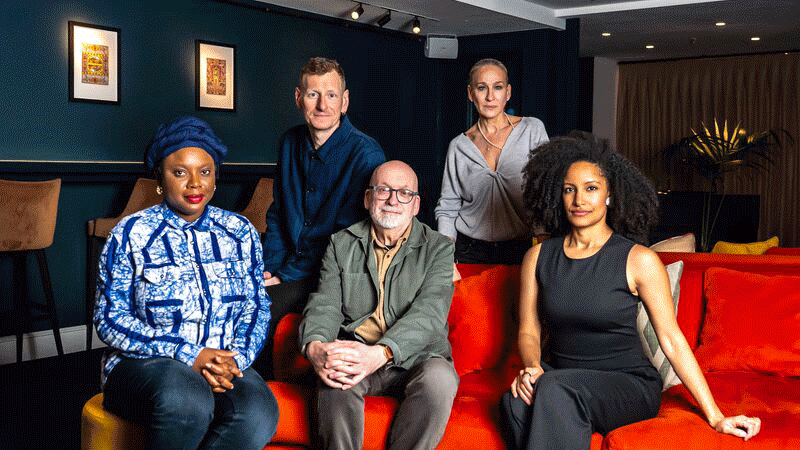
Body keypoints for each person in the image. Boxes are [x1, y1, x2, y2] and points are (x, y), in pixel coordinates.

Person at [500, 136, 761, 449]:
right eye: (570, 189)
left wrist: (716, 415)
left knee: (554, 389)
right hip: (564, 379)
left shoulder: (639, 260)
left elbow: (671, 340)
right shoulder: (539, 257)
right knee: (514, 402)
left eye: (591, 188)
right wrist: (532, 368)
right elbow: (529, 331)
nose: (579, 199)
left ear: (610, 194)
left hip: (627, 385)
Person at [94, 116, 278, 450]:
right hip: (144, 365)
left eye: (205, 171)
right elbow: (109, 319)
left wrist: (235, 359)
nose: (195, 183)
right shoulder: (130, 234)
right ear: (160, 179)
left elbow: (256, 306)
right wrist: (189, 354)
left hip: (223, 361)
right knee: (187, 399)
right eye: (180, 172)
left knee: (258, 412)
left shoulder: (240, 232)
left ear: (215, 177)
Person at [300, 160, 458, 450]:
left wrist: (382, 352)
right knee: (335, 377)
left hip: (419, 357)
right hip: (357, 349)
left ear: (416, 205)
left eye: (404, 193)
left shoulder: (439, 248)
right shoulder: (341, 244)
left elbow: (429, 315)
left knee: (440, 382)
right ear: (367, 198)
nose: (393, 200)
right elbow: (325, 303)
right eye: (383, 190)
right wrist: (315, 345)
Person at [260, 57, 386, 377]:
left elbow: (345, 239)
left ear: (344, 101)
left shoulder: (365, 154)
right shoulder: (289, 142)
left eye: (331, 95)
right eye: (313, 94)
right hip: (288, 265)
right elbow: (277, 215)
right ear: (298, 98)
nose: (321, 105)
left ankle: (260, 400)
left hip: (334, 276)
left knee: (258, 309)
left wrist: (284, 275)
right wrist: (269, 267)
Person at [435, 58, 549, 265]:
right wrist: (444, 256)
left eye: (497, 87)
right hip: (469, 250)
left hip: (520, 249)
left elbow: (546, 190)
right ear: (471, 93)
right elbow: (448, 206)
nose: (490, 97)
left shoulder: (532, 130)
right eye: (481, 88)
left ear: (508, 92)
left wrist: (544, 239)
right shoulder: (459, 146)